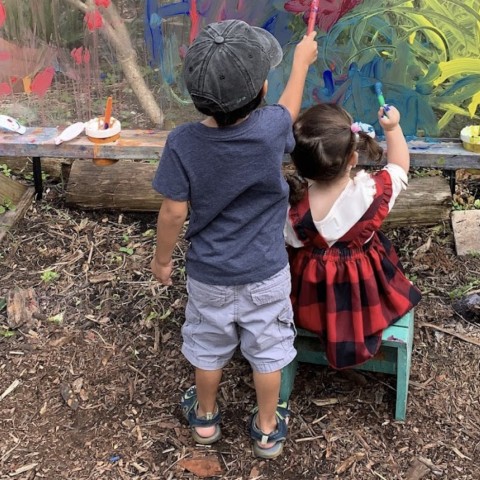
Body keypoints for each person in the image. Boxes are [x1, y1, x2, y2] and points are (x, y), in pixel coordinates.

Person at [150, 19, 318, 459]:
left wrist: (163, 260)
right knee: (268, 349)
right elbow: (290, 106)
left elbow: (173, 211)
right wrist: (301, 61)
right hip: (266, 271)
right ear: (262, 88)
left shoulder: (183, 142)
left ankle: (205, 419)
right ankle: (266, 429)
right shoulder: (270, 131)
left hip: (210, 275)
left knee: (207, 347)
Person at [285, 103, 422, 370]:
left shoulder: (292, 211)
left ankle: (318, 323)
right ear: (353, 158)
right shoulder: (371, 191)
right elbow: (399, 167)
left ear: (299, 163)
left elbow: (290, 241)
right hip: (364, 284)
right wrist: (392, 128)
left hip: (313, 293)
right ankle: (357, 324)